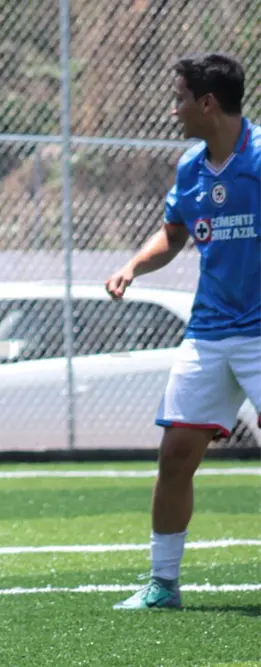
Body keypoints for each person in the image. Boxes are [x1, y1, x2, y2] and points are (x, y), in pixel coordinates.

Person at [107, 52, 261, 611]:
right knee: (175, 454)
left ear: (207, 103)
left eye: (178, 99)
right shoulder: (191, 168)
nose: (173, 110)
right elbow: (174, 236)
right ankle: (162, 585)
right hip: (210, 330)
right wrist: (132, 266)